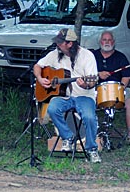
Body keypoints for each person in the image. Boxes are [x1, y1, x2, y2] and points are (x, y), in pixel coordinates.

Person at [33, 28, 101, 163]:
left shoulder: (87, 56)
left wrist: (86, 85)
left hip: (84, 96)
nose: (58, 45)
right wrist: (40, 79)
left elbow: (92, 82)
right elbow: (37, 66)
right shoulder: (55, 54)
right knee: (52, 109)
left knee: (89, 117)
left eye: (60, 43)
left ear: (70, 44)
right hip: (64, 96)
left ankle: (92, 149)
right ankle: (67, 137)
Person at [92, 30, 130, 143]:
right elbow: (84, 73)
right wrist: (98, 75)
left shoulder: (120, 57)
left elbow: (127, 76)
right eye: (104, 40)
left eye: (109, 40)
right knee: (85, 101)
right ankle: (90, 134)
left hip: (117, 89)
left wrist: (120, 88)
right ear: (100, 42)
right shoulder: (92, 56)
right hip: (95, 88)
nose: (107, 42)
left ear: (113, 42)